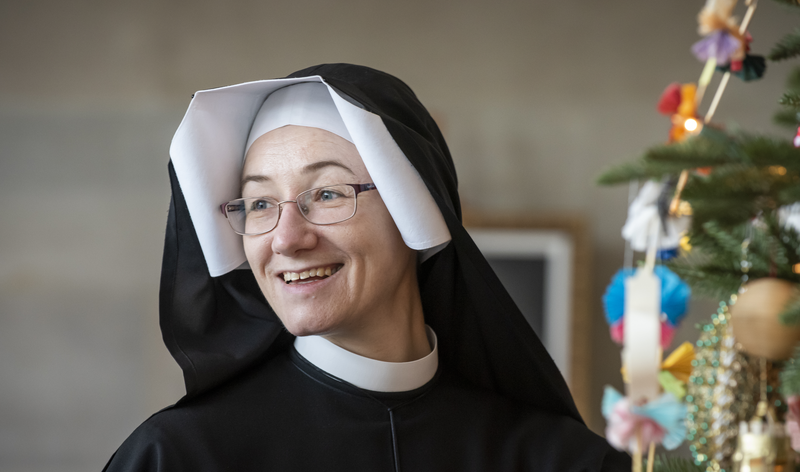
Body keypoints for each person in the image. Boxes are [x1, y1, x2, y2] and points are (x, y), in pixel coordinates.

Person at [103, 63, 630, 471]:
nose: (286, 239)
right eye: (259, 204)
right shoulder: (177, 458)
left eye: (328, 193)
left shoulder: (559, 460)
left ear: (415, 213)